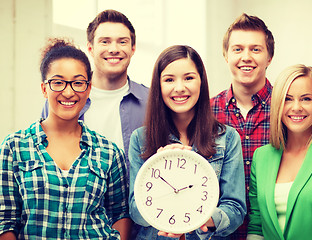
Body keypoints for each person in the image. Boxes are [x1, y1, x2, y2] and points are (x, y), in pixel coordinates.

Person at [0, 38, 130, 239]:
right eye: (58, 82)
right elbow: (5, 220)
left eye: (78, 83)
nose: (68, 92)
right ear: (44, 88)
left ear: (88, 89)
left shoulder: (110, 152)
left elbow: (120, 214)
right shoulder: (14, 147)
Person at [129, 45, 246, 240]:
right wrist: (156, 168)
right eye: (169, 80)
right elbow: (135, 211)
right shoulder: (140, 139)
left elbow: (235, 210)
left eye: (189, 78)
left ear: (201, 81)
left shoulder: (227, 138)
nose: (180, 88)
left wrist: (196, 218)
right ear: (159, 86)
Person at [247, 64, 312, 240]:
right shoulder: (262, 156)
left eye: (306, 99)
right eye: (288, 99)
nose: (296, 107)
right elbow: (257, 226)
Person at [42, 9, 149, 172]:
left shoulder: (151, 101)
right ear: (90, 48)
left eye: (122, 42)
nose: (114, 49)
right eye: (105, 41)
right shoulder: (63, 99)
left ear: (133, 48)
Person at [210, 13, 275, 240]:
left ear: (269, 57)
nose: (246, 57)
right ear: (226, 55)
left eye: (255, 49)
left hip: (272, 231)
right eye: (237, 49)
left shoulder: (286, 110)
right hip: (219, 234)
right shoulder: (206, 113)